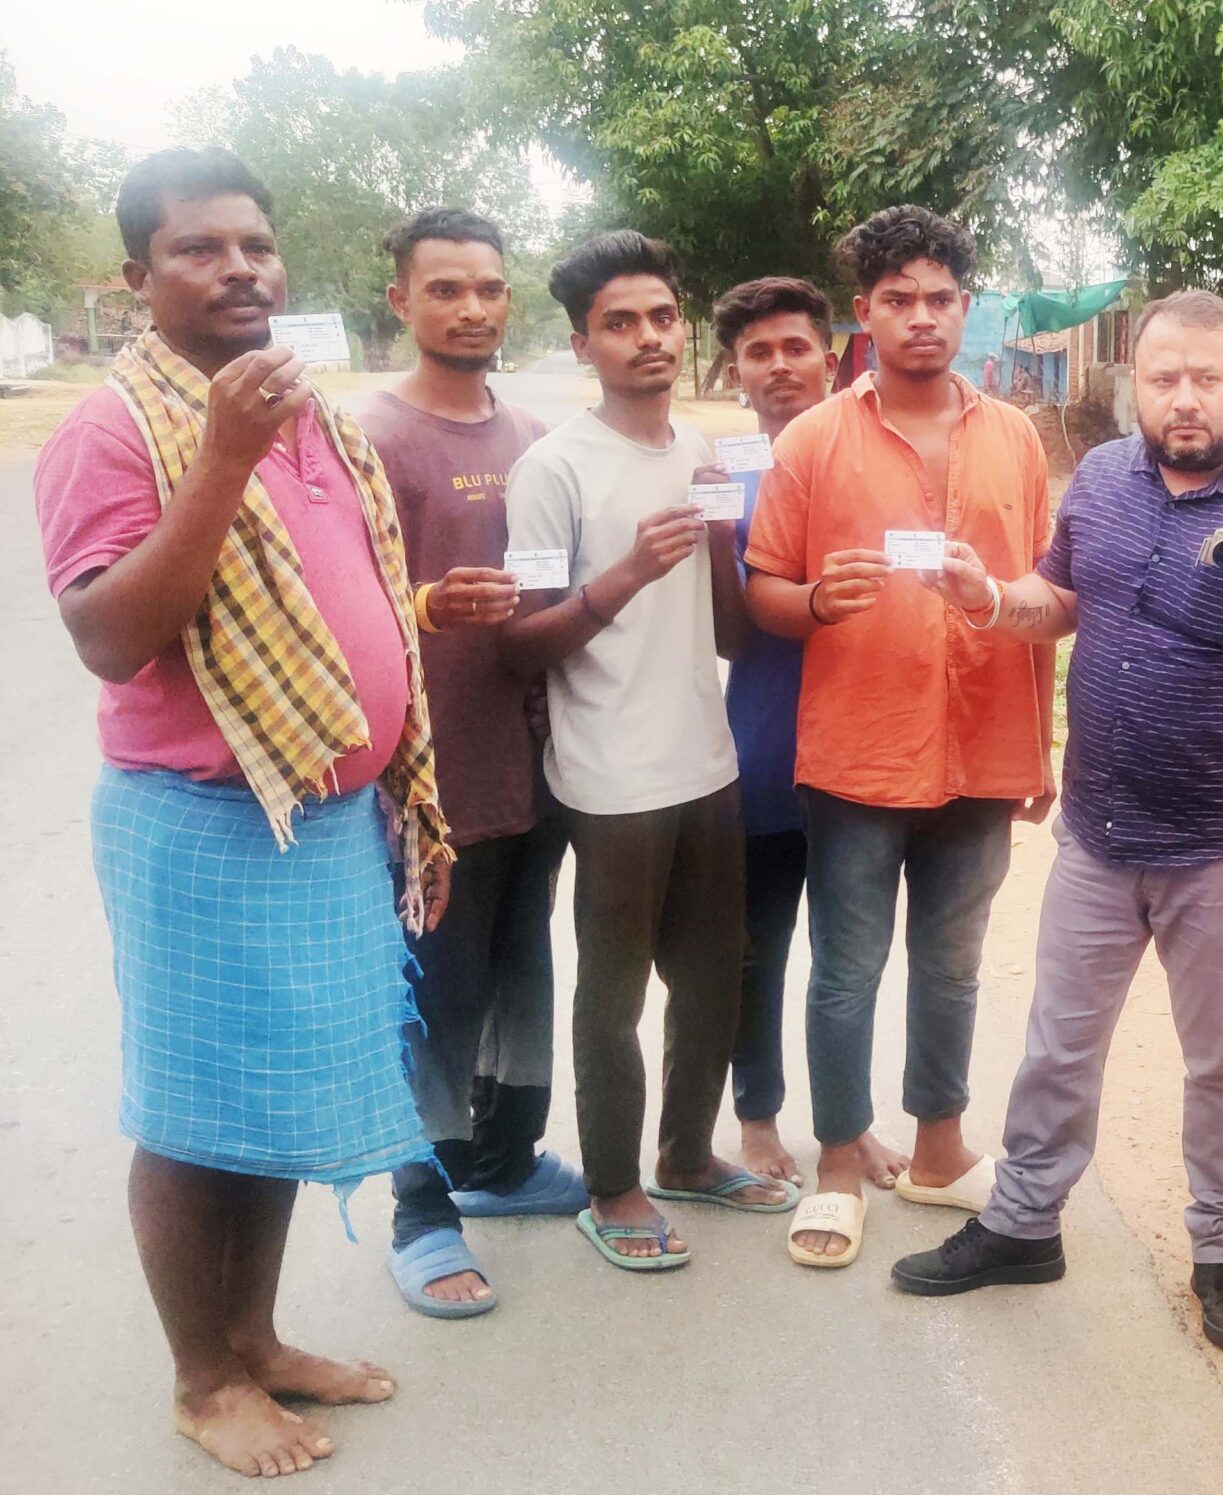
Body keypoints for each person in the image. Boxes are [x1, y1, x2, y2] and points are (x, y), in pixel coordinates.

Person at [35, 146, 450, 1477]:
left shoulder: (306, 407)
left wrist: (404, 787)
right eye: (199, 248)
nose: (239, 269)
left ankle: (256, 1337)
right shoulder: (114, 429)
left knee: (272, 1099)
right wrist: (222, 457)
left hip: (324, 822)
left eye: (255, 245)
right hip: (202, 820)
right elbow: (109, 636)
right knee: (194, 1108)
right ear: (136, 275)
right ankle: (202, 1378)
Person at [888, 289, 1223, 1354]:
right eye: (1163, 378)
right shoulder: (1103, 480)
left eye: (1206, 377)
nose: (1184, 398)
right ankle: (1023, 1224)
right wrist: (986, 599)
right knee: (1058, 1045)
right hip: (1098, 838)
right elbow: (1061, 601)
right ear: (1133, 385)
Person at [740, 207, 1055, 1267]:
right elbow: (764, 588)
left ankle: (938, 1148)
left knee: (953, 965)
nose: (922, 317)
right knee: (847, 967)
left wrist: (1041, 743)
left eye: (940, 298)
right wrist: (814, 600)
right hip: (858, 753)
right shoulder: (814, 439)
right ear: (863, 314)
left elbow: (1043, 594)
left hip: (983, 746)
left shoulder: (1015, 437)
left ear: (966, 308)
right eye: (898, 299)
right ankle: (837, 1165)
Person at [499, 230, 792, 1270]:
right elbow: (518, 640)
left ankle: (687, 1155)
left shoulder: (701, 452)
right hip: (609, 774)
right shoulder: (551, 469)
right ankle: (613, 1185)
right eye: (620, 323)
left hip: (706, 761)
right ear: (584, 345)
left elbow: (733, 636)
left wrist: (717, 541)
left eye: (663, 316)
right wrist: (625, 573)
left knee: (714, 976)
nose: (649, 337)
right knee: (615, 994)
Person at [354, 205, 582, 1320]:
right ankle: (421, 1206)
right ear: (401, 300)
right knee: (434, 988)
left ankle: (502, 1160)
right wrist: (426, 603)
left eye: (488, 287)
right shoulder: (367, 437)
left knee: (521, 965)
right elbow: (328, 606)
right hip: (427, 771)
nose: (471, 307)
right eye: (444, 288)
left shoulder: (535, 434)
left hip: (536, 756)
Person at [707, 275, 839, 1194]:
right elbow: (722, 626)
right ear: (734, 371)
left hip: (866, 752)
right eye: (759, 351)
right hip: (759, 746)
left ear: (830, 360)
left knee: (848, 957)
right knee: (755, 947)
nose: (780, 365)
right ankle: (756, 1114)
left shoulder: (872, 460)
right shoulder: (718, 476)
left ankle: (847, 1126)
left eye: (797, 347)